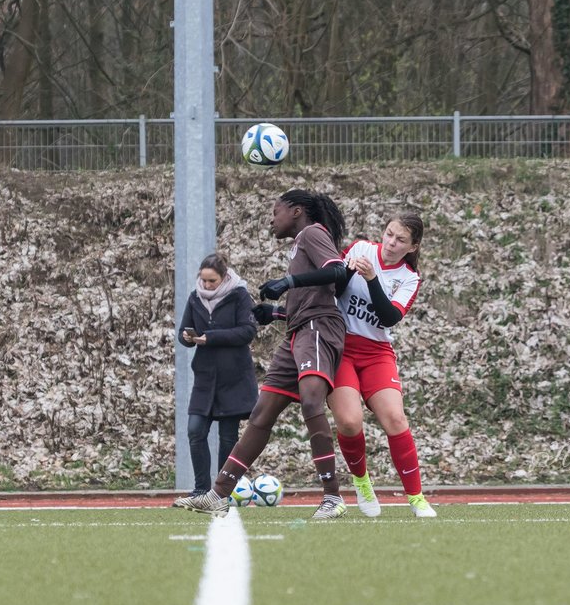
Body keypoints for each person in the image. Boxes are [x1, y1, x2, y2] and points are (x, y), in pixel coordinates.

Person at [176, 189, 350, 519]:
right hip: (297, 330)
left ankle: (332, 496)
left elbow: (337, 271)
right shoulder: (301, 243)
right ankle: (218, 493)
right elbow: (311, 296)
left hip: (317, 329)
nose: (272, 218)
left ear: (297, 211)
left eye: (276, 211)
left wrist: (288, 281)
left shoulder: (312, 233)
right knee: (261, 414)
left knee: (312, 401)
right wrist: (278, 313)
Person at [331, 214, 437, 517]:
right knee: (350, 422)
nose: (391, 242)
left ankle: (417, 499)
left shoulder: (408, 277)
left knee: (395, 419)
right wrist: (348, 273)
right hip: (341, 347)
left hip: (377, 352)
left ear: (413, 246)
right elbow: (333, 290)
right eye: (389, 234)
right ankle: (362, 483)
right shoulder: (361, 249)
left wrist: (371, 279)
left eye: (401, 239)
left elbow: (389, 317)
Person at [173, 252, 259, 500]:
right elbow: (183, 333)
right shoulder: (194, 297)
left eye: (212, 281)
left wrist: (211, 337)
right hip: (205, 378)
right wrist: (188, 338)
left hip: (233, 378)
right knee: (195, 430)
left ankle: (223, 491)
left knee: (228, 436)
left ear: (223, 277)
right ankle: (201, 489)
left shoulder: (239, 295)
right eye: (204, 280)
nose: (207, 285)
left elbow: (247, 331)